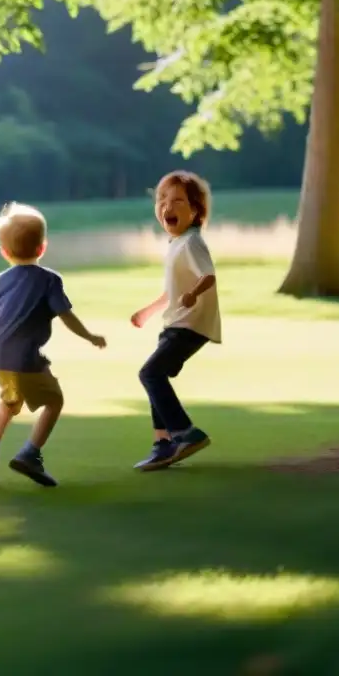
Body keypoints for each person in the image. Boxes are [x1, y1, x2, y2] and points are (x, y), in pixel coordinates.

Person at [0, 202, 106, 488]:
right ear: (41, 248)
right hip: (25, 357)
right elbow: (66, 315)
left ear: (4, 251)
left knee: (9, 401)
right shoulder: (49, 280)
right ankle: (30, 454)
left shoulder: (1, 280)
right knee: (54, 400)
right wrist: (90, 336)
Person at [130, 170, 221, 471]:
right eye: (162, 200)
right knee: (156, 375)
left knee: (150, 374)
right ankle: (164, 444)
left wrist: (194, 294)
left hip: (190, 325)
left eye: (178, 200)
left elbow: (208, 275)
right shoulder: (177, 243)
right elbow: (171, 292)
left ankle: (184, 433)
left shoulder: (192, 242)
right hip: (176, 323)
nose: (167, 206)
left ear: (195, 210)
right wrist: (147, 311)